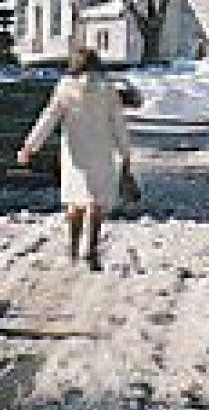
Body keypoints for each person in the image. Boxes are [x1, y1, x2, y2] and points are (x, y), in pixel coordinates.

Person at [17, 47, 133, 272]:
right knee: (96, 203)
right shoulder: (108, 89)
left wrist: (30, 146)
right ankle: (91, 251)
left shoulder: (65, 88)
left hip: (74, 153)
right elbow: (118, 124)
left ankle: (72, 250)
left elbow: (49, 118)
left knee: (75, 202)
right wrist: (125, 153)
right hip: (101, 152)